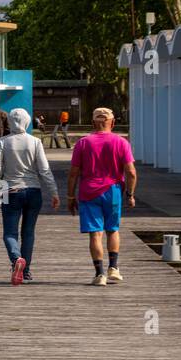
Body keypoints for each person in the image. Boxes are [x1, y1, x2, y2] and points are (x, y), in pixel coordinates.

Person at [0, 109, 60, 284]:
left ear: (10, 123)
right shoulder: (35, 142)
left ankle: (16, 260)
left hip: (10, 191)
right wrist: (54, 192)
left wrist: (0, 191)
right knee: (28, 233)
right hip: (34, 191)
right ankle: (26, 272)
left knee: (10, 233)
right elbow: (44, 170)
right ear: (27, 122)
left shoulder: (3, 141)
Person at [67, 107, 136, 286]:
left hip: (89, 192)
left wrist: (70, 197)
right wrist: (130, 194)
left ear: (92, 123)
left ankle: (100, 275)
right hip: (113, 191)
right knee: (112, 229)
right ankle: (114, 268)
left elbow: (73, 173)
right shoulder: (121, 143)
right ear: (112, 123)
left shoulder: (83, 143)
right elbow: (131, 172)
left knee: (95, 234)